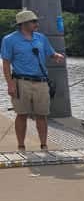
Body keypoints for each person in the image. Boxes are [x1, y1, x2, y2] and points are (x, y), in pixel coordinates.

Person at [2, 9, 66, 152]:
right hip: (21, 81)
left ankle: (44, 145)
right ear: (23, 24)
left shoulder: (41, 38)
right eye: (33, 21)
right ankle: (21, 146)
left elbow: (50, 53)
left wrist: (56, 56)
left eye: (36, 21)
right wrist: (10, 84)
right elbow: (6, 63)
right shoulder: (9, 40)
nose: (37, 23)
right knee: (21, 114)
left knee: (42, 115)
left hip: (41, 82)